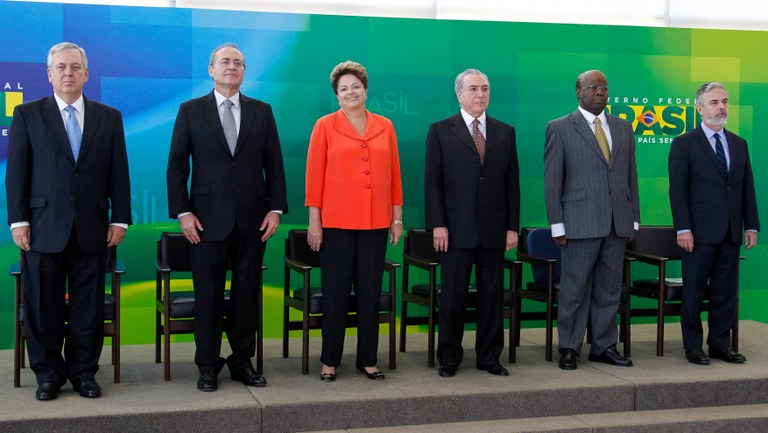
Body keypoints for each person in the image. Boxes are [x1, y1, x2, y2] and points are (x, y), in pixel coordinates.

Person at [5, 42, 132, 400]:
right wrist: (18, 221)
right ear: (49, 74)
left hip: (92, 227)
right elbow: (17, 174)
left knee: (87, 307)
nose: (68, 73)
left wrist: (120, 217)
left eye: (75, 67)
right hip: (43, 227)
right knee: (42, 306)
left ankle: (83, 373)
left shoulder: (109, 117)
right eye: (60, 67)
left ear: (86, 74)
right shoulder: (28, 115)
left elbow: (118, 172)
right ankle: (47, 375)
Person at [167, 43, 288, 391]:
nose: (231, 67)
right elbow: (177, 166)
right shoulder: (191, 110)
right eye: (224, 61)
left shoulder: (261, 111)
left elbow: (274, 165)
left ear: (244, 71)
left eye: (238, 62)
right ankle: (207, 365)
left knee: (246, 295)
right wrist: (184, 212)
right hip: (204, 222)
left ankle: (241, 361)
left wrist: (276, 209)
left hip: (254, 220)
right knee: (208, 296)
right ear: (211, 69)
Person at [305, 60, 403, 382]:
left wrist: (397, 218)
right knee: (335, 294)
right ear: (337, 94)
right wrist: (314, 222)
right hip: (336, 224)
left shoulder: (385, 126)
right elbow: (314, 177)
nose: (350, 92)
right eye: (343, 88)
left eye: (355, 87)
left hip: (376, 223)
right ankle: (330, 360)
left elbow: (395, 177)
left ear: (365, 90)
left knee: (369, 294)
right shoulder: (325, 125)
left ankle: (368, 359)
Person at [424, 68, 520, 378]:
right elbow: (433, 182)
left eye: (485, 88)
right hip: (454, 229)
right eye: (474, 89)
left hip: (494, 229)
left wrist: (511, 227)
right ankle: (450, 358)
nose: (480, 94)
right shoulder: (440, 130)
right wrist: (437, 224)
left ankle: (489, 357)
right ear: (459, 94)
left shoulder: (506, 131)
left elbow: (511, 184)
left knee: (491, 298)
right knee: (452, 297)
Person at [544, 69, 639, 371]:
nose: (600, 92)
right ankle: (569, 348)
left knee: (609, 290)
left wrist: (633, 219)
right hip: (578, 223)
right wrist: (557, 225)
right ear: (578, 91)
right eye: (593, 87)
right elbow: (552, 181)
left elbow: (630, 177)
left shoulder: (623, 127)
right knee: (574, 290)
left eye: (604, 88)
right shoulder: (559, 127)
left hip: (616, 223)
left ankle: (604, 345)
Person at [668, 82, 759, 366]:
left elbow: (747, 188)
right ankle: (693, 347)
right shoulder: (684, 143)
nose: (721, 107)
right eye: (714, 102)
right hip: (698, 233)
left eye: (725, 101)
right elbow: (678, 190)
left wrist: (751, 225)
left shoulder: (738, 143)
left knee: (725, 292)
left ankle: (720, 344)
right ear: (699, 108)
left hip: (731, 230)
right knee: (694, 293)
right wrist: (683, 228)